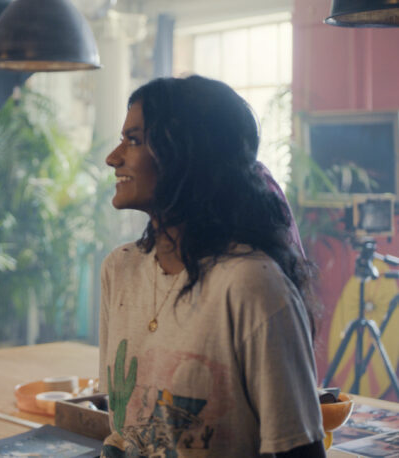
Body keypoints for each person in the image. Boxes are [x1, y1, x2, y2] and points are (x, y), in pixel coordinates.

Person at [98, 75, 325, 457]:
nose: (113, 157)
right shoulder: (119, 269)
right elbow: (125, 431)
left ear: (185, 154)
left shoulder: (251, 284)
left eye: (133, 140)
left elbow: (299, 452)